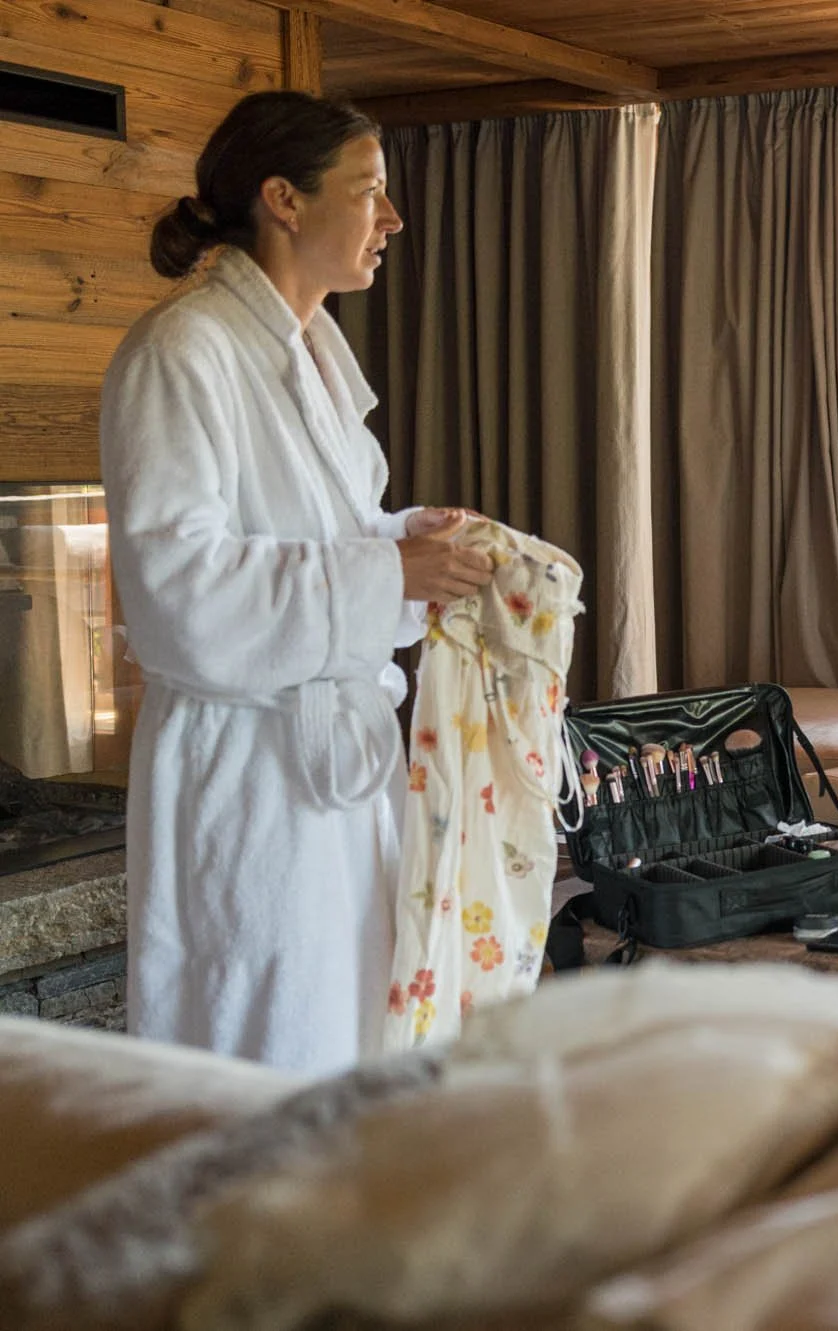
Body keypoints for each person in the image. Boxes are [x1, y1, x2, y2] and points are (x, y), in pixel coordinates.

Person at [100, 91, 494, 1074]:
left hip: (336, 770)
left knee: (353, 1044)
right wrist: (380, 570)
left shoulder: (311, 353)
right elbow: (174, 593)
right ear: (283, 198)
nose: (392, 220)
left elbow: (317, 535)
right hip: (247, 777)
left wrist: (407, 542)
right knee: (258, 1053)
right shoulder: (182, 352)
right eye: (369, 192)